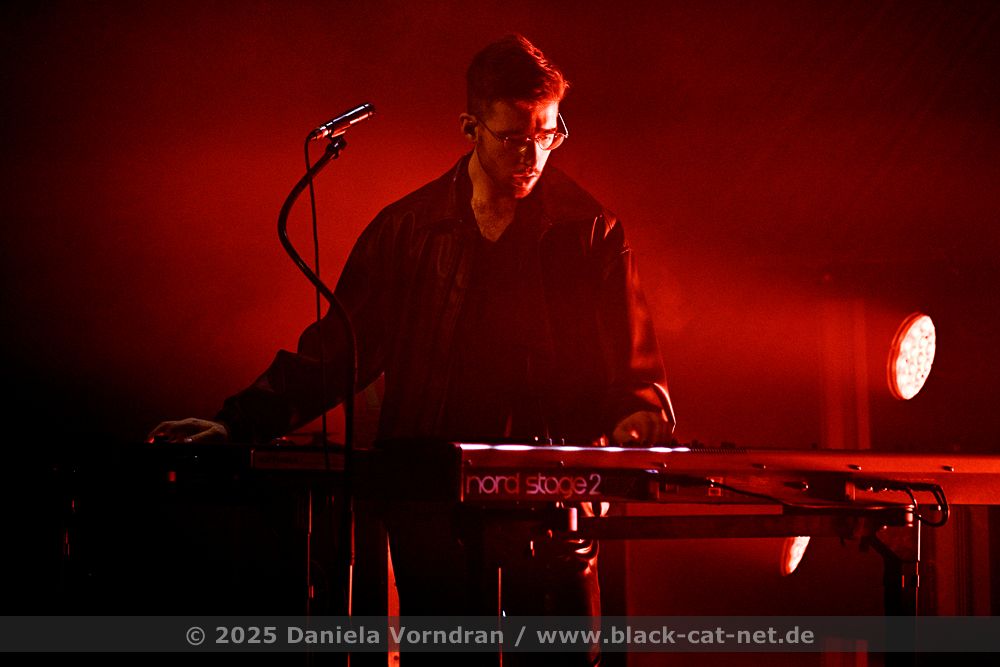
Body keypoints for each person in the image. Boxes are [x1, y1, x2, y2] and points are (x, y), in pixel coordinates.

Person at [152, 34, 674, 665]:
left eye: (548, 133)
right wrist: (237, 422)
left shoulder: (590, 229)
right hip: (430, 497)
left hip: (549, 500)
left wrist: (640, 411)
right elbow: (338, 350)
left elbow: (632, 360)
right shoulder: (406, 229)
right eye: (514, 137)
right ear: (470, 128)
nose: (534, 154)